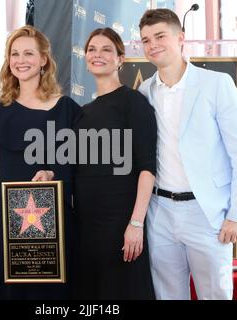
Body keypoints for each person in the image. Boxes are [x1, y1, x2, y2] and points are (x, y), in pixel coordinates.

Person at [138, 9, 237, 300]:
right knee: (167, 295)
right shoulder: (143, 92)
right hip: (160, 212)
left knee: (214, 295)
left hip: (207, 213)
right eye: (145, 40)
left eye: (159, 36)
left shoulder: (216, 85)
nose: (152, 44)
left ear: (180, 38)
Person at [0, 25, 81, 299]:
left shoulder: (67, 109)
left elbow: (79, 164)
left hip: (55, 216)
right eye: (14, 54)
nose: (20, 60)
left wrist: (53, 172)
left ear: (44, 59)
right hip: (9, 218)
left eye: (28, 53)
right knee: (13, 288)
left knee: (53, 291)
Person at [72, 27, 157, 300]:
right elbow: (77, 167)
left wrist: (135, 223)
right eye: (92, 49)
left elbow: (147, 168)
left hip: (121, 227)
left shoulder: (134, 103)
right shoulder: (82, 113)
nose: (98, 55)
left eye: (106, 49)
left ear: (120, 58)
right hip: (86, 229)